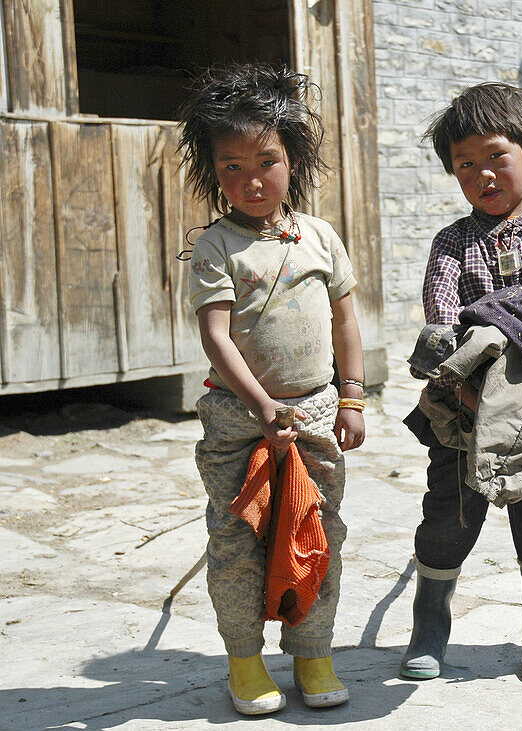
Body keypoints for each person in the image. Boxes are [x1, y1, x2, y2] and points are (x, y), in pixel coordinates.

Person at [178, 63, 365, 714]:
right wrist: (261, 406)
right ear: (213, 172)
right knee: (238, 539)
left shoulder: (320, 238)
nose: (252, 180)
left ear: (293, 159)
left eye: (267, 161)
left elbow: (344, 320)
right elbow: (217, 338)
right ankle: (245, 660)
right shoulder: (216, 248)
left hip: (315, 414)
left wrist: (352, 397)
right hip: (239, 419)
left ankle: (313, 652)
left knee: (316, 530)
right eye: (232, 167)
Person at [399, 82, 522, 683]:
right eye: (465, 165)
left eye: (496, 157)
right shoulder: (452, 244)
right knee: (448, 520)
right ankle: (430, 624)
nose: (483, 174)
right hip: (461, 411)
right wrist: (467, 387)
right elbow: (444, 322)